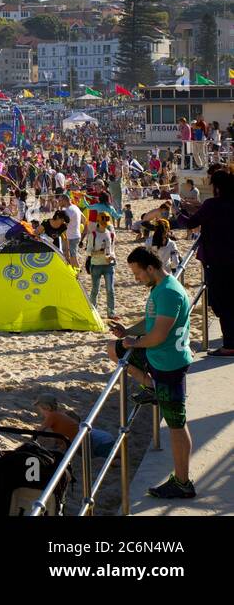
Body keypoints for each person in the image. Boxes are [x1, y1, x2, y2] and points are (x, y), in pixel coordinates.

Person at [108, 247, 196, 499]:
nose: (136, 279)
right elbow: (152, 323)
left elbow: (157, 336)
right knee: (113, 349)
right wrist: (127, 333)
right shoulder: (162, 287)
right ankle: (150, 387)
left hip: (169, 364)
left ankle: (182, 483)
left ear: (150, 268)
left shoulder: (168, 293)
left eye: (138, 273)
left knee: (177, 425)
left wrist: (132, 343)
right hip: (159, 358)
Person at [170, 170, 234, 355]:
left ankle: (230, 345)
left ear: (217, 187)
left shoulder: (212, 204)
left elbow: (190, 224)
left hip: (217, 260)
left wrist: (177, 212)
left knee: (221, 302)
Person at [85, 212, 117, 318]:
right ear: (98, 221)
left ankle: (111, 311)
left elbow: (112, 250)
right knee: (95, 289)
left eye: (106, 222)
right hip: (96, 264)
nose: (105, 224)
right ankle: (93, 310)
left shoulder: (111, 234)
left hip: (109, 265)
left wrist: (112, 257)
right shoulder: (93, 234)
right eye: (103, 222)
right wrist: (99, 252)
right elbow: (88, 251)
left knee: (110, 289)